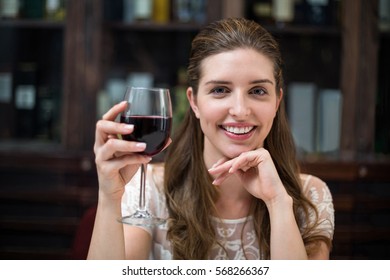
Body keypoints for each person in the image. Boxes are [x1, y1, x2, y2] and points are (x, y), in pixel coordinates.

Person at [88, 18, 334, 260]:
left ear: (277, 101)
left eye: (257, 91)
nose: (240, 110)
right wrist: (109, 198)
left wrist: (278, 203)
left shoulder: (311, 195)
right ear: (193, 102)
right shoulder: (150, 190)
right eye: (220, 90)